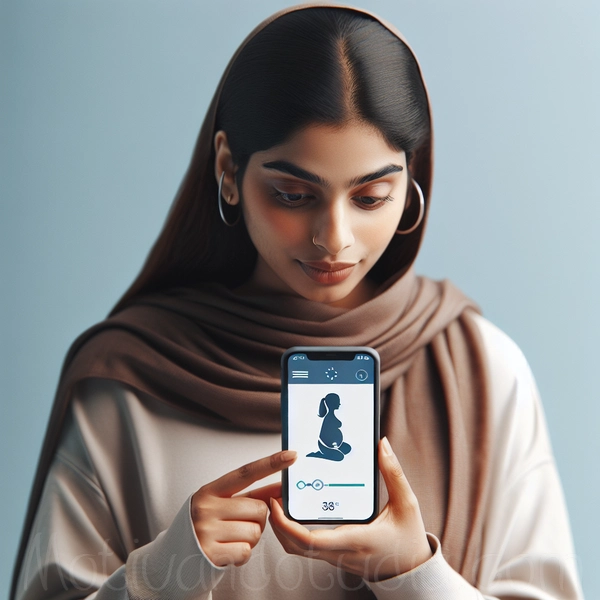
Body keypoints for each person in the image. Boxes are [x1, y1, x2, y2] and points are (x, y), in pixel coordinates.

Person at [10, 4, 583, 599]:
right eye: (292, 193)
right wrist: (162, 575)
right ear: (229, 170)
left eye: (371, 196)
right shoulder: (130, 385)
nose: (333, 239)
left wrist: (416, 574)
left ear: (412, 183)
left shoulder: (482, 373)